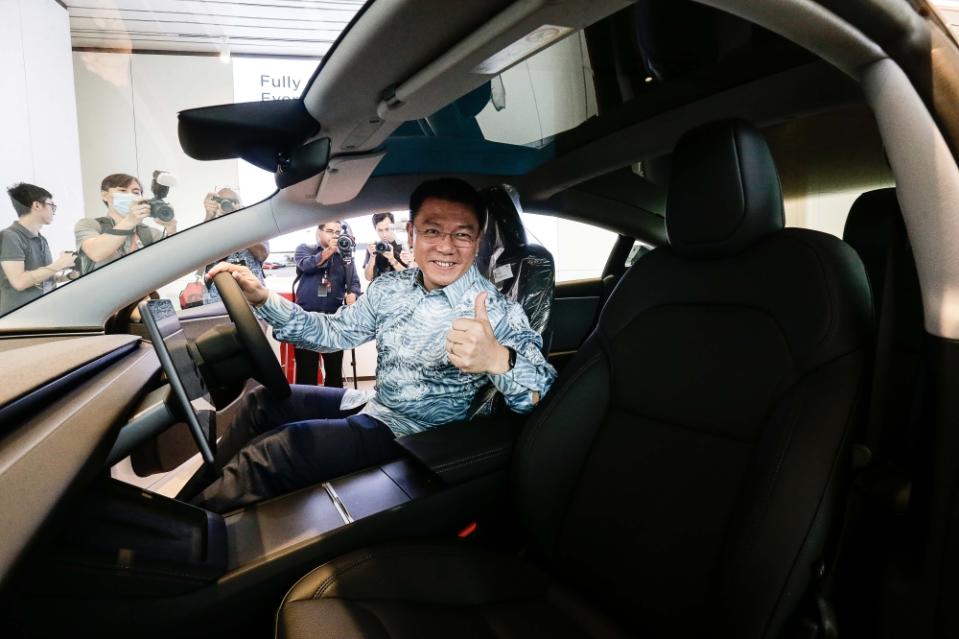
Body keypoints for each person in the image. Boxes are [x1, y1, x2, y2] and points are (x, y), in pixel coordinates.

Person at [191, 177, 557, 512]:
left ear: (477, 240)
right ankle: (188, 504)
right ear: (411, 232)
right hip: (373, 405)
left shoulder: (493, 309)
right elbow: (333, 334)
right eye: (432, 231)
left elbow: (542, 393)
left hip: (414, 437)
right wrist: (263, 299)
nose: (446, 247)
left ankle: (185, 539)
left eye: (462, 235)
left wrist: (499, 359)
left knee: (279, 451)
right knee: (261, 403)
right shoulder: (392, 288)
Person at [292, 220, 362, 387]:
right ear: (319, 232)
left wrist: (353, 294)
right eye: (330, 231)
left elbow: (354, 283)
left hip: (333, 321)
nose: (334, 235)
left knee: (334, 373)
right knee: (306, 373)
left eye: (337, 232)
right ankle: (306, 412)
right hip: (306, 319)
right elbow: (307, 266)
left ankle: (335, 410)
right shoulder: (304, 249)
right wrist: (330, 250)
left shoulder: (345, 256)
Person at [74, 173, 178, 275]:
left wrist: (171, 230)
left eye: (136, 192)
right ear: (104, 195)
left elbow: (172, 263)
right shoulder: (89, 224)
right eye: (122, 190)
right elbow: (95, 253)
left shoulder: (150, 233)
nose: (130, 196)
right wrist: (130, 220)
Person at [0, 183, 76, 314]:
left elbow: (40, 279)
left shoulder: (41, 239)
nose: (54, 211)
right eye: (52, 206)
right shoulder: (10, 236)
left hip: (44, 312)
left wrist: (69, 276)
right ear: (37, 205)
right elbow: (20, 282)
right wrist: (59, 264)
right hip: (21, 317)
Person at [200, 188, 270, 305]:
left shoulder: (254, 226)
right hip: (219, 301)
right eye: (222, 201)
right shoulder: (210, 229)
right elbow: (198, 256)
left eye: (233, 201)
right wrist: (209, 217)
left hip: (253, 299)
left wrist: (238, 222)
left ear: (241, 205)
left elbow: (261, 254)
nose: (228, 204)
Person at [363, 212, 413, 281]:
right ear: (375, 229)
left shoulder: (405, 247)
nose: (384, 235)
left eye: (387, 229)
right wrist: (372, 257)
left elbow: (410, 277)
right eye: (380, 230)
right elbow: (368, 278)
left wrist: (392, 259)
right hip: (379, 290)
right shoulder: (373, 248)